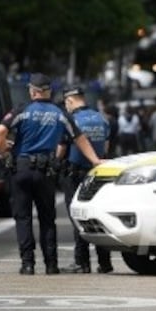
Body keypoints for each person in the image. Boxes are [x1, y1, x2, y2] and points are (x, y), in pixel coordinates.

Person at [0, 74, 104, 275]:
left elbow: (0, 132)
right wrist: (95, 160)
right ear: (48, 91)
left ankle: (27, 264)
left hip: (22, 168)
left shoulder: (22, 110)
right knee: (47, 219)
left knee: (24, 218)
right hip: (46, 171)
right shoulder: (60, 113)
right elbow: (79, 137)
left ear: (32, 91)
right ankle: (51, 264)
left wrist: (2, 153)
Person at [58, 85, 114, 274]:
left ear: (70, 101)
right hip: (97, 173)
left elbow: (61, 150)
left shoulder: (71, 120)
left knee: (78, 217)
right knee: (98, 216)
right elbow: (105, 147)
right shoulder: (101, 118)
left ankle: (81, 262)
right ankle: (105, 262)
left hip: (74, 174)